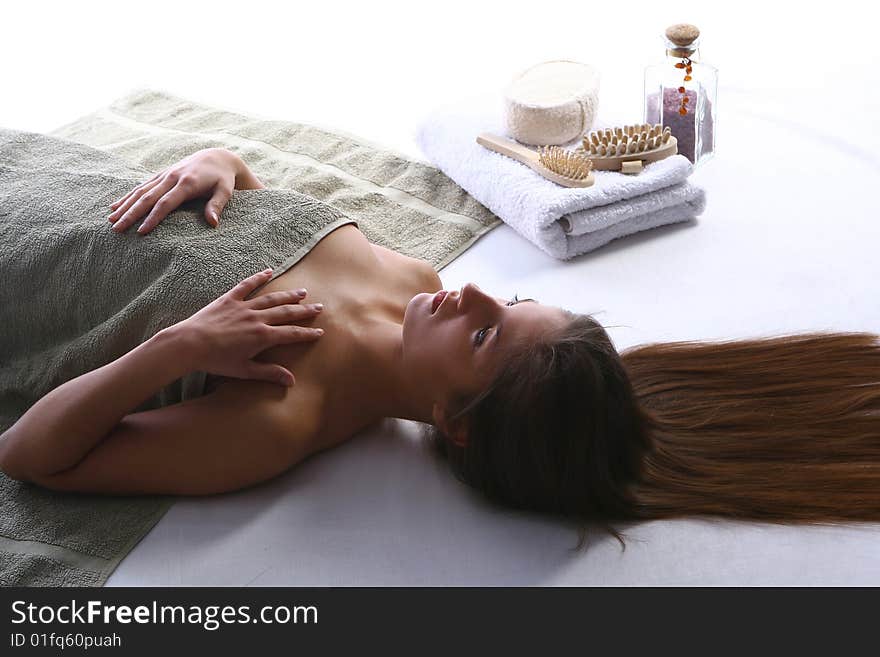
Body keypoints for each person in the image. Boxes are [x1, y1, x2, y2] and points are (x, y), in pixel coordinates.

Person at [1, 148, 878, 545]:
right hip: (58, 174)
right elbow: (255, 222)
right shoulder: (417, 273)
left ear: (456, 420)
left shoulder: (281, 412)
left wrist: (175, 348)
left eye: (487, 330)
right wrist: (222, 163)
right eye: (516, 295)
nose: (470, 291)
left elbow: (32, 454)